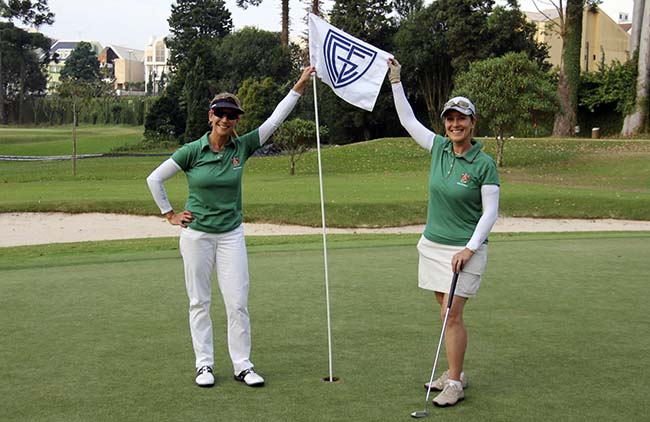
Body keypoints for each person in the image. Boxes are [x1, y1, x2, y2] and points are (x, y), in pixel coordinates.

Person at [146, 66, 315, 388]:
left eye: (232, 115)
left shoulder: (242, 147)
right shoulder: (193, 151)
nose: (226, 119)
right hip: (197, 236)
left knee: (237, 301)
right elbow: (154, 179)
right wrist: (169, 214)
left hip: (231, 235)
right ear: (211, 116)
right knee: (200, 301)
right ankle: (204, 365)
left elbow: (275, 120)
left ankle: (242, 365)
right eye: (221, 113)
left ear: (237, 119)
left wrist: (300, 85)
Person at [387, 58, 500, 407]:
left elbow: (491, 212)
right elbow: (407, 119)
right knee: (445, 310)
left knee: (451, 313)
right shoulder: (438, 148)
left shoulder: (484, 163)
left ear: (472, 123)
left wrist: (469, 248)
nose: (455, 124)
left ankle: (454, 383)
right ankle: (457, 370)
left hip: (465, 250)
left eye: (461, 119)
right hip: (434, 245)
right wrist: (395, 80)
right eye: (450, 119)